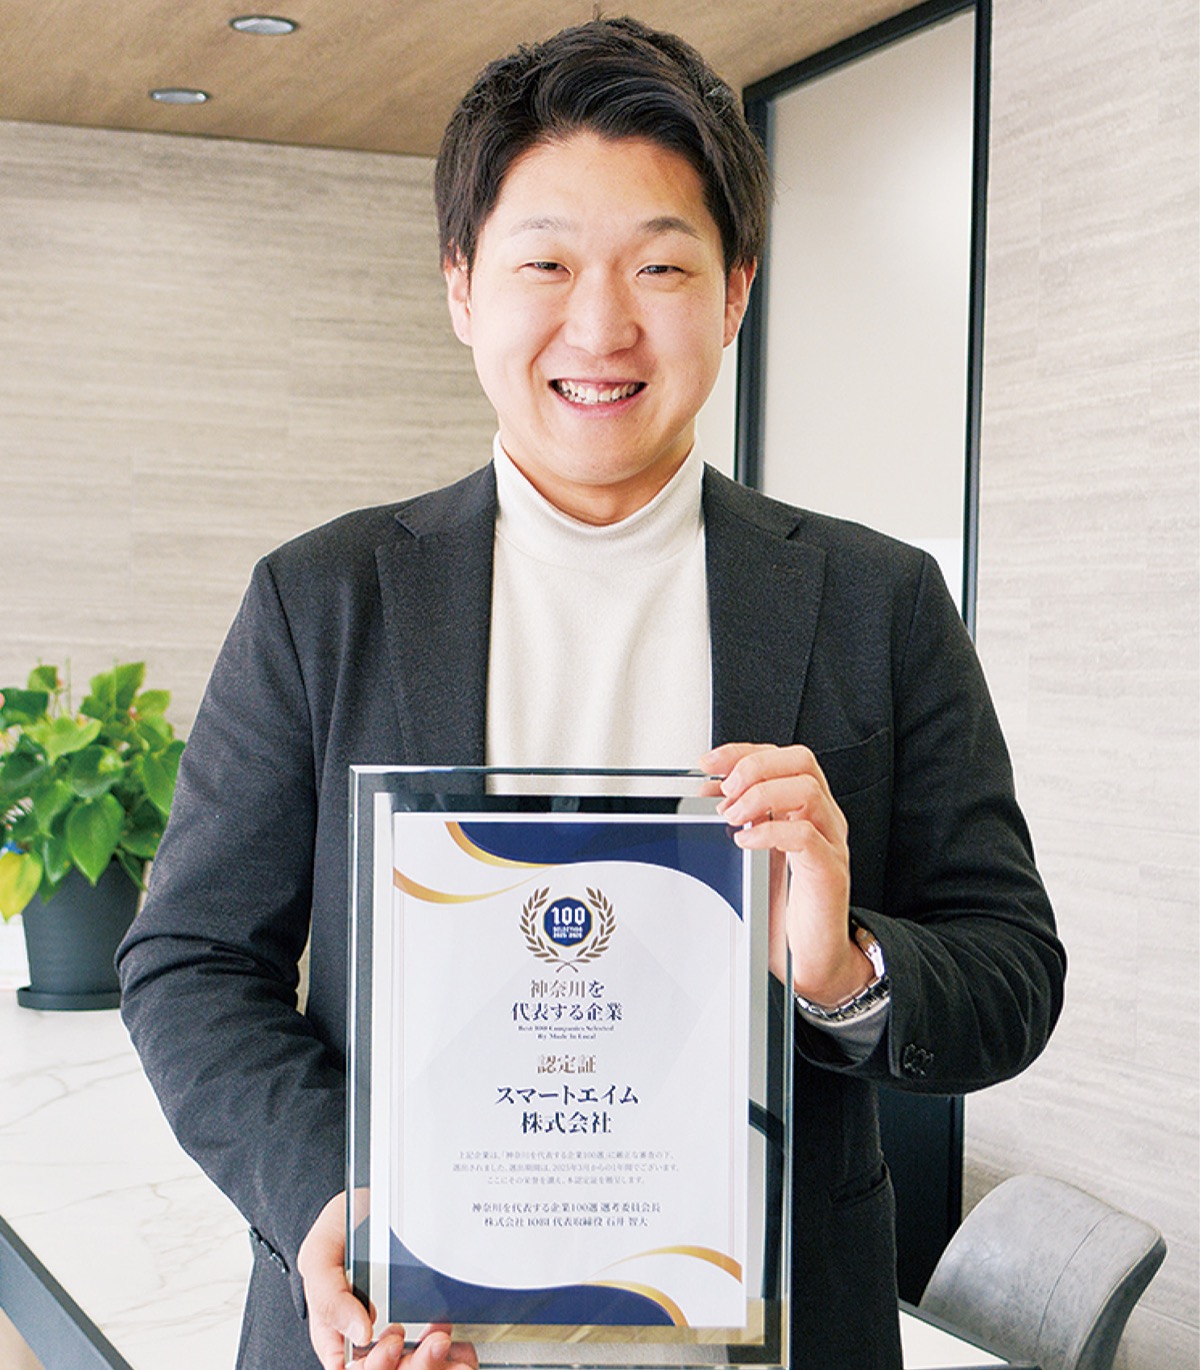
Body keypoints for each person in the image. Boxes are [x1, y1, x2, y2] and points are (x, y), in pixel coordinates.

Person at [117, 17, 1065, 1370]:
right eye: (547, 263)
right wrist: (330, 1192)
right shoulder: (322, 600)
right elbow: (191, 961)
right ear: (462, 286)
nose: (603, 324)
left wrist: (843, 965)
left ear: (735, 291)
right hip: (402, 1338)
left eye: (661, 264)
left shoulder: (878, 600)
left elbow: (1012, 967)